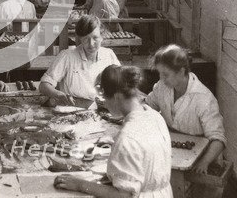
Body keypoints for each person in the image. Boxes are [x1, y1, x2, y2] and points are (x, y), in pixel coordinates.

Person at [55, 65, 172, 198]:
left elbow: (124, 196)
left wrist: (80, 184)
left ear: (116, 97)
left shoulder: (127, 137)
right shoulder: (154, 115)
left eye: (105, 98)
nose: (104, 103)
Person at [146, 44, 226, 174]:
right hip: (175, 152)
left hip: (202, 159)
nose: (161, 78)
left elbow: (218, 139)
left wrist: (204, 162)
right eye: (160, 73)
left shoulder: (203, 98)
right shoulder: (162, 87)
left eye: (166, 74)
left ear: (182, 71)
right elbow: (148, 106)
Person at [39, 15, 120, 106]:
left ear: (102, 36)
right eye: (86, 39)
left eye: (95, 38)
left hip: (100, 111)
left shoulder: (109, 55)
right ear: (80, 39)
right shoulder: (67, 56)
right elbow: (43, 85)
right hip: (71, 109)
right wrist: (57, 94)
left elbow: (120, 84)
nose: (91, 44)